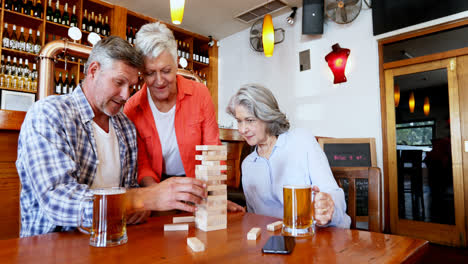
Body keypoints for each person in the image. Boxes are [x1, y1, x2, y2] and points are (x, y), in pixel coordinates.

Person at [16, 36, 207, 237]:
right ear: (93, 70)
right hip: (51, 247)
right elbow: (57, 200)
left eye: (132, 86)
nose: (126, 95)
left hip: (115, 242)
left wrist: (140, 205)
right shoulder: (49, 114)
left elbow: (133, 196)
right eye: (119, 82)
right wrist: (140, 199)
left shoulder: (125, 126)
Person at [124, 22, 243, 212]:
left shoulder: (199, 94)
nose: (160, 81)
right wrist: (160, 196)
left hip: (198, 184)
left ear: (176, 61)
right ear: (140, 71)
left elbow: (212, 151)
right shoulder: (132, 108)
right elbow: (142, 165)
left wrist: (213, 197)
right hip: (155, 188)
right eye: (150, 73)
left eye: (166, 71)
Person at [226, 84, 350, 228]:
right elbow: (255, 217)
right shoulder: (248, 165)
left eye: (250, 120)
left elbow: (333, 194)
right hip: (277, 242)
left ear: (267, 117)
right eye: (239, 121)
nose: (242, 129)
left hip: (322, 237)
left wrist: (328, 206)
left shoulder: (302, 141)